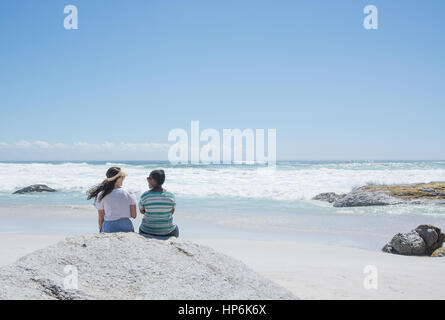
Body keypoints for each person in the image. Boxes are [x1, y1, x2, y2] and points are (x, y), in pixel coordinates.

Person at [87, 167, 137, 233]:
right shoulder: (129, 193)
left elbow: (101, 218)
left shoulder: (102, 194)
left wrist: (101, 229)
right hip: (126, 226)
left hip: (109, 226)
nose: (124, 178)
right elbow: (134, 215)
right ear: (119, 178)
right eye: (123, 177)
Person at [139, 169, 178, 239]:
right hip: (167, 232)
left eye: (149, 178)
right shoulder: (171, 196)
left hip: (147, 230)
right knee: (175, 228)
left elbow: (142, 211)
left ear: (154, 181)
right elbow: (172, 212)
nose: (147, 180)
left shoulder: (144, 196)